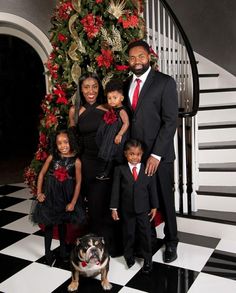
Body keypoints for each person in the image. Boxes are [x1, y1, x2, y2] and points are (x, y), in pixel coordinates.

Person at [125, 39, 179, 263]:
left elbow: (170, 121)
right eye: (132, 57)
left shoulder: (164, 83)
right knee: (143, 200)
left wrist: (156, 155)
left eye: (141, 56)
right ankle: (149, 240)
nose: (137, 61)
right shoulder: (126, 83)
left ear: (149, 57)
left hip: (160, 156)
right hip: (136, 156)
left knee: (165, 200)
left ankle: (172, 241)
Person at [69, 72, 123, 257]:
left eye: (94, 86)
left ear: (99, 88)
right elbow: (73, 140)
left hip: (106, 162)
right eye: (86, 87)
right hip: (87, 164)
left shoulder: (108, 107)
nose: (91, 91)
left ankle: (113, 246)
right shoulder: (75, 112)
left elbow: (121, 130)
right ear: (81, 90)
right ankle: (97, 249)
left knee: (107, 203)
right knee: (93, 206)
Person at [31, 128, 84, 266]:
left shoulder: (76, 161)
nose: (63, 146)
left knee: (62, 224)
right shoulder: (52, 157)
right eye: (59, 143)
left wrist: (73, 202)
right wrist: (39, 193)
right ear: (55, 145)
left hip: (65, 197)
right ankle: (48, 253)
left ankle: (63, 251)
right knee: (49, 224)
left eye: (65, 142)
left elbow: (78, 183)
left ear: (71, 142)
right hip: (51, 196)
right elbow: (41, 174)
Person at [110, 139, 158, 273]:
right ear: (126, 154)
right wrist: (114, 208)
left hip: (143, 209)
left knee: (145, 234)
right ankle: (129, 256)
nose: (135, 157)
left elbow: (152, 189)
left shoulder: (147, 169)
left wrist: (154, 206)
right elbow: (115, 190)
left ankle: (148, 259)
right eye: (131, 154)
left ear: (141, 155)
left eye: (138, 154)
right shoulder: (120, 170)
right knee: (128, 234)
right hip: (127, 210)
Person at [96, 79, 129, 180]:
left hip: (117, 136)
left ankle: (107, 173)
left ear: (122, 98)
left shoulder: (122, 110)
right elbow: (104, 107)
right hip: (110, 136)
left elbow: (126, 123)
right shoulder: (113, 108)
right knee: (107, 153)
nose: (111, 100)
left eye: (115, 98)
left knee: (112, 154)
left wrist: (120, 134)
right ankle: (104, 172)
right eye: (109, 98)